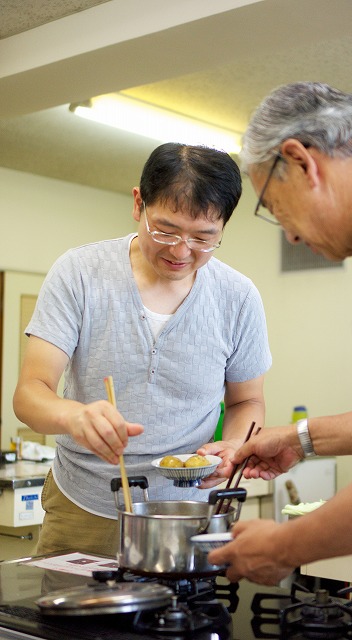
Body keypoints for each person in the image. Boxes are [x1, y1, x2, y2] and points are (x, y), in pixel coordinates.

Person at [208, 82, 352, 606]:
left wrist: (282, 545)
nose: (290, 236)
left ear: (301, 162)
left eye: (272, 207)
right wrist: (301, 439)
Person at [13, 142, 272, 556]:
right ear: (139, 204)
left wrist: (232, 446)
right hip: (86, 504)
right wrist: (75, 416)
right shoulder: (80, 274)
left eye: (203, 238)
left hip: (189, 513)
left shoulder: (237, 297)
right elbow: (30, 393)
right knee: (68, 623)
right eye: (165, 230)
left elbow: (249, 400)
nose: (180, 251)